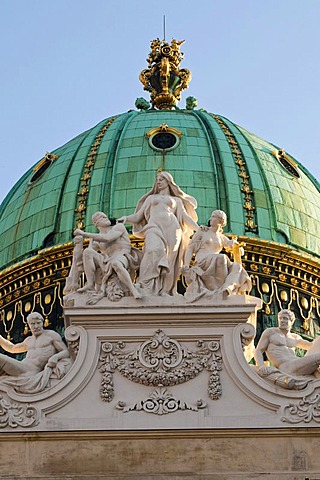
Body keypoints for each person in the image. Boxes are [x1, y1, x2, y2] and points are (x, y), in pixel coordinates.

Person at [117, 171, 198, 296]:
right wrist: (126, 218)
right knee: (152, 250)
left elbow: (185, 218)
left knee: (171, 259)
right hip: (153, 227)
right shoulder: (151, 198)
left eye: (162, 179)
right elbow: (138, 216)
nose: (158, 181)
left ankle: (166, 290)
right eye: (157, 179)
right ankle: (145, 284)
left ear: (168, 182)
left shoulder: (177, 200)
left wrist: (199, 228)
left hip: (173, 228)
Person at [182, 210, 251, 300]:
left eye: (213, 216)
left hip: (216, 263)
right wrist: (186, 265)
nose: (210, 219)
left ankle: (226, 289)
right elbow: (190, 248)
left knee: (237, 267)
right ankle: (218, 289)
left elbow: (232, 246)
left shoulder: (221, 237)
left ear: (221, 221)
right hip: (202, 262)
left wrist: (238, 247)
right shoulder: (202, 232)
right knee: (222, 258)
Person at [74, 211, 141, 300]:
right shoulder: (96, 240)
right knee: (87, 252)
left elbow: (107, 238)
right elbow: (86, 258)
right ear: (96, 223)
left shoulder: (118, 227)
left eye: (106, 216)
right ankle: (90, 284)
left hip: (122, 256)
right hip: (107, 259)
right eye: (102, 217)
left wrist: (84, 234)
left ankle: (133, 290)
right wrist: (79, 246)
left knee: (115, 264)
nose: (106, 218)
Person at [254, 309, 320, 380]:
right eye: (280, 318)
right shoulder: (270, 332)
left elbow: (312, 346)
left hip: (297, 364)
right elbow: (258, 350)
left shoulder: (295, 337)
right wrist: (261, 366)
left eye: (285, 318)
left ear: (292, 321)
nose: (282, 321)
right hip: (285, 367)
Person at [0, 312, 69, 377]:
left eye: (38, 323)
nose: (36, 326)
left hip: (31, 370)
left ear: (43, 323)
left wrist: (55, 357)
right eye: (32, 324)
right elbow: (12, 348)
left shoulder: (51, 335)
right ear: (29, 325)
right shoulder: (29, 340)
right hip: (22, 366)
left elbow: (66, 351)